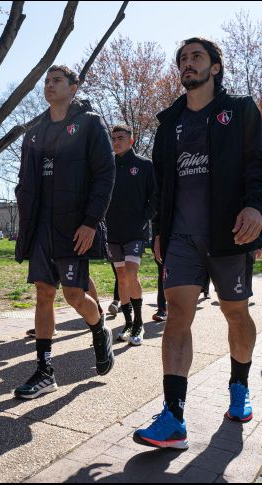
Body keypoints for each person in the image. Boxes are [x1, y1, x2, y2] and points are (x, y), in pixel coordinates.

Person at [133, 37, 262, 450]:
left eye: (196, 57)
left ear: (215, 67)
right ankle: (174, 417)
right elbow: (160, 185)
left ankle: (239, 385)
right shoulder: (168, 123)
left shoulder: (241, 110)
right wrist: (158, 229)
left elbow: (260, 167)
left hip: (229, 234)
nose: (187, 64)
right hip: (180, 237)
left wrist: (254, 207)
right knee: (177, 314)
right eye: (182, 59)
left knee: (235, 313)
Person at [13, 65, 116, 399]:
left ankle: (99, 329)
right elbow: (24, 181)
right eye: (46, 81)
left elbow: (104, 174)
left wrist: (90, 222)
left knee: (73, 296)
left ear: (74, 87)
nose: (49, 85)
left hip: (73, 226)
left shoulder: (89, 123)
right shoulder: (35, 131)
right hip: (41, 227)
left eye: (57, 80)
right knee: (44, 293)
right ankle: (44, 370)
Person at [105, 125, 156, 346]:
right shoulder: (107, 166)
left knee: (132, 275)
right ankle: (127, 323)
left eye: (121, 138)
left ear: (131, 140)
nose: (116, 142)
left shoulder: (144, 165)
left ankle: (139, 323)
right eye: (113, 139)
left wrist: (143, 217)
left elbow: (155, 197)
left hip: (135, 232)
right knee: (122, 277)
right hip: (112, 232)